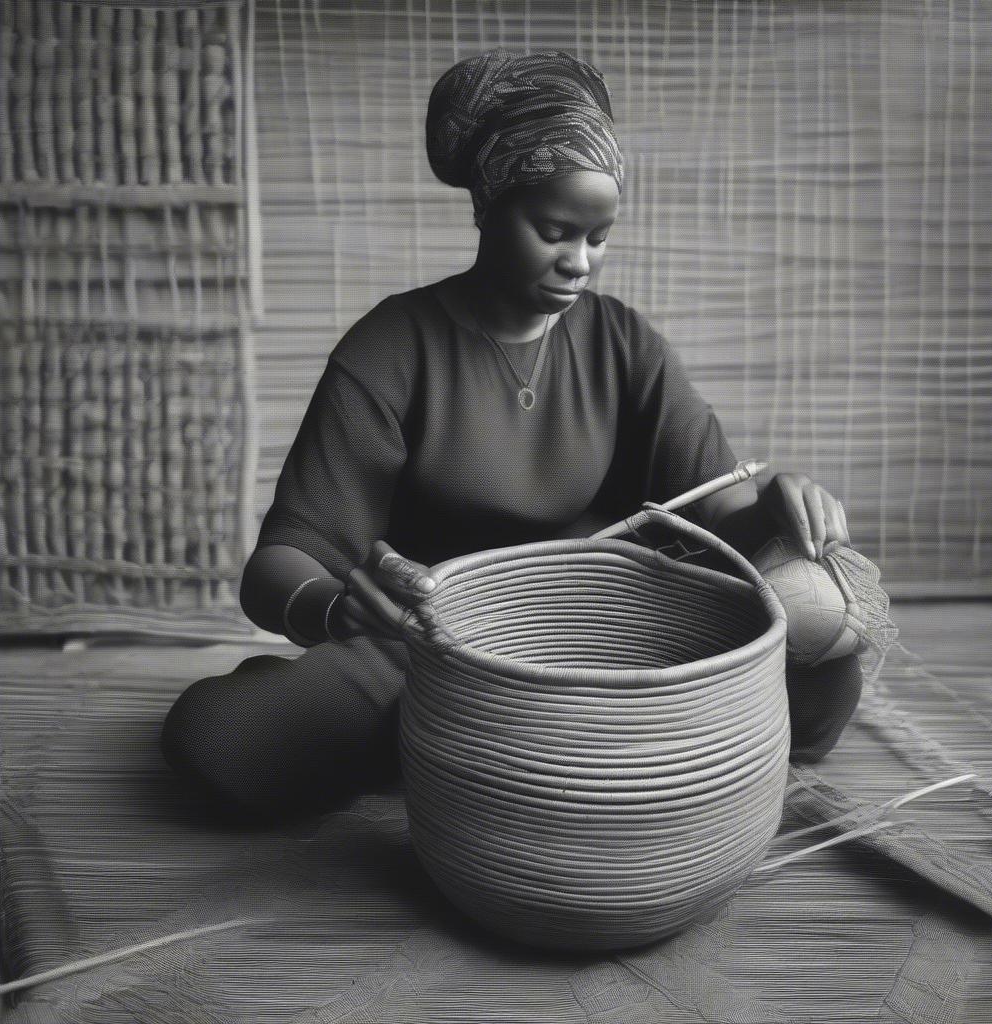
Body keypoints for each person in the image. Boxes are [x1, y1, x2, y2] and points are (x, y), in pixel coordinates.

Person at [160, 49, 863, 824]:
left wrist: (776, 510)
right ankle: (539, 754)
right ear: (489, 207)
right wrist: (336, 609)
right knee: (224, 741)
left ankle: (488, 757)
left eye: (599, 237)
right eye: (556, 230)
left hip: (609, 642)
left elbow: (720, 513)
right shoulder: (393, 347)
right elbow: (279, 563)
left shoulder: (623, 343)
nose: (580, 263)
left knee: (819, 636)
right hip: (432, 649)